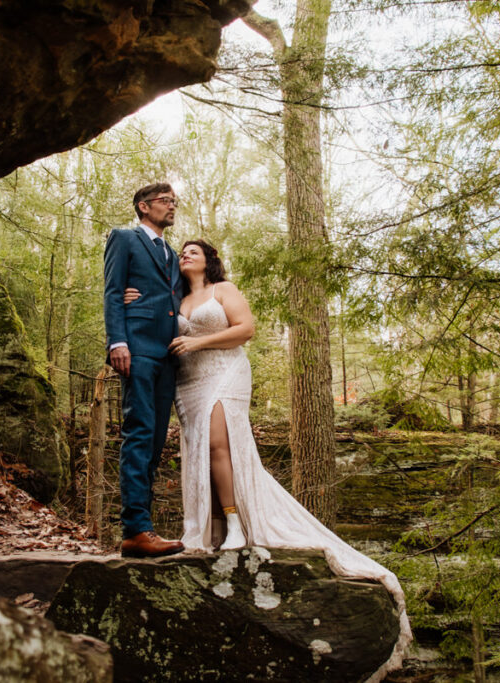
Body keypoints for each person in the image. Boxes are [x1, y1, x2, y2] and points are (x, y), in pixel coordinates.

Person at [124, 239, 412, 678]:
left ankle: (237, 522)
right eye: (181, 252)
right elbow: (152, 321)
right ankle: (210, 525)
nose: (185, 255)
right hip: (189, 383)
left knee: (221, 444)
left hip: (224, 371)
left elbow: (246, 330)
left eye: (193, 251)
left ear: (209, 259)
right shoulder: (173, 297)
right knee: (200, 450)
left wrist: (199, 344)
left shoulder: (224, 289)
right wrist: (134, 297)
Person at [103, 183, 185, 558]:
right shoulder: (124, 238)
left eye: (174, 202)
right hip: (136, 349)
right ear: (143, 206)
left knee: (154, 442)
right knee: (138, 434)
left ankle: (144, 528)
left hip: (168, 355)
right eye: (165, 201)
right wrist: (117, 342)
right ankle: (135, 529)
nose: (172, 207)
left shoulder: (172, 253)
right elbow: (112, 290)